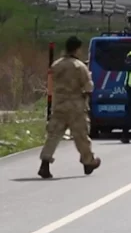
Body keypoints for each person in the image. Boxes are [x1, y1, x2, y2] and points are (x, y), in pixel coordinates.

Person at [38, 36, 101, 179]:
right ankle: (88, 162)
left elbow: (51, 82)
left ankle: (45, 163)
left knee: (54, 135)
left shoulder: (56, 65)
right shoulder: (79, 66)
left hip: (59, 104)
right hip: (76, 105)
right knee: (81, 136)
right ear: (77, 48)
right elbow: (88, 86)